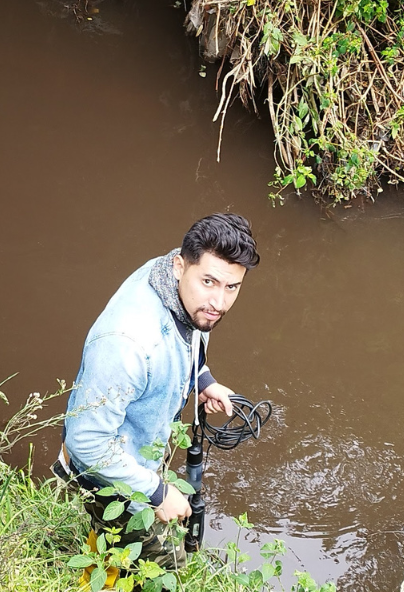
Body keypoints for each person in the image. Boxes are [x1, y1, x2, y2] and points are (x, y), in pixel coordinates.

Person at [57, 213, 258, 572]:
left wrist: (203, 378)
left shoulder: (181, 288)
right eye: (209, 281)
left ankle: (102, 567)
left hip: (139, 447)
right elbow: (85, 441)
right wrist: (157, 492)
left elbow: (188, 339)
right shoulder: (126, 343)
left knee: (114, 542)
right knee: (168, 567)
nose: (219, 302)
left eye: (232, 287)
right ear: (181, 266)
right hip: (107, 468)